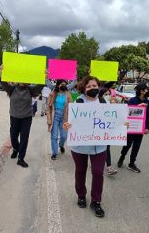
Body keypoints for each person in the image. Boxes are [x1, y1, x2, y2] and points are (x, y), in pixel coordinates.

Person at [63, 76, 108, 218]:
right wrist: (67, 125)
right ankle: (81, 195)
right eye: (89, 86)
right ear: (84, 89)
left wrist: (122, 123)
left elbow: (112, 120)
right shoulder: (79, 102)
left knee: (98, 172)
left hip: (99, 147)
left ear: (99, 87)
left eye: (94, 85)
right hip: (80, 146)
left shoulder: (103, 102)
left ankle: (96, 201)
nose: (92, 88)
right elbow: (71, 121)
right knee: (80, 171)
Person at [0, 66, 39, 168]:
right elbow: (3, 83)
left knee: (24, 138)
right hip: (14, 116)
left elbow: (39, 87)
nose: (22, 80)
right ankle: (15, 149)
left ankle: (21, 158)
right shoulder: (12, 89)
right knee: (13, 136)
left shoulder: (31, 90)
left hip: (26, 118)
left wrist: (44, 76)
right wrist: (1, 73)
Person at [117, 83, 149, 173]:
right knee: (127, 145)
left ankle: (132, 163)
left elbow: (147, 115)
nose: (148, 91)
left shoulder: (147, 102)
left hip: (140, 129)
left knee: (136, 146)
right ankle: (122, 156)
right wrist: (138, 107)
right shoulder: (132, 100)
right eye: (146, 89)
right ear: (142, 91)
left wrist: (147, 127)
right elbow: (128, 112)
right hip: (131, 127)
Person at [47, 80, 73, 160]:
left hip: (64, 117)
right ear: (58, 85)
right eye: (62, 84)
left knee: (64, 136)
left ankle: (61, 145)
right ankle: (54, 153)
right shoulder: (53, 94)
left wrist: (75, 76)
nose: (64, 86)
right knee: (54, 136)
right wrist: (49, 120)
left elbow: (71, 105)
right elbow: (49, 108)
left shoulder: (67, 94)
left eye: (65, 84)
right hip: (55, 116)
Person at [98, 88, 118, 176]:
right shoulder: (96, 103)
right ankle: (94, 161)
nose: (108, 96)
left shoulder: (112, 104)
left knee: (107, 148)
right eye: (106, 94)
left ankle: (109, 167)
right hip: (97, 130)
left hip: (107, 130)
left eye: (109, 94)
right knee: (97, 147)